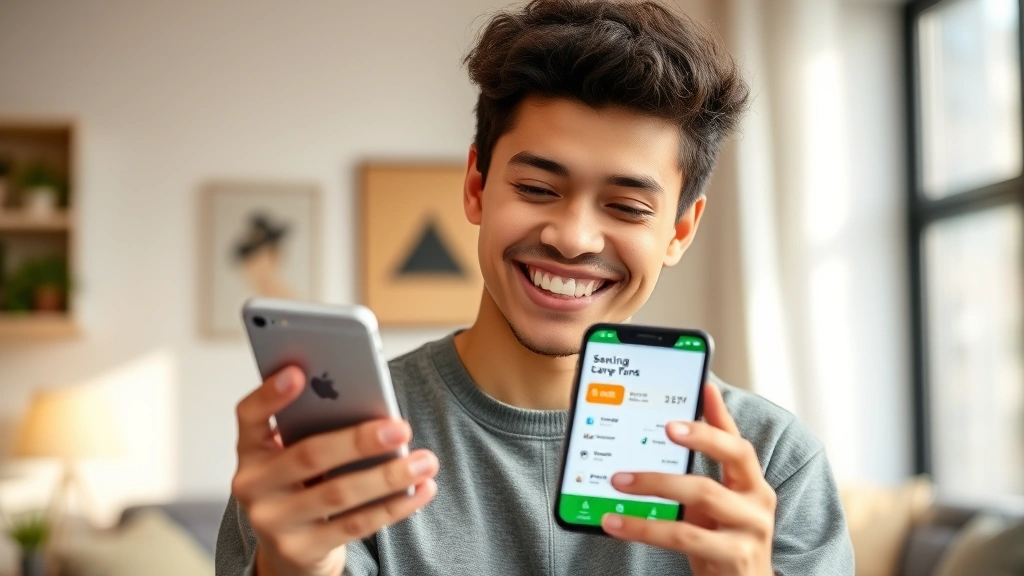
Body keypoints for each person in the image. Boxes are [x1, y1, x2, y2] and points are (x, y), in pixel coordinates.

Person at [216, 1, 855, 574]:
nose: (573, 238)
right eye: (537, 189)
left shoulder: (771, 464)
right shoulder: (324, 450)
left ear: (679, 231)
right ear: (476, 187)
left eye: (628, 206)